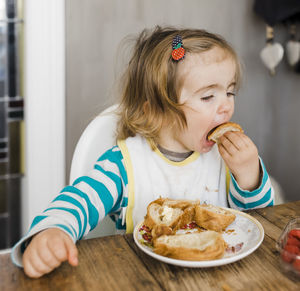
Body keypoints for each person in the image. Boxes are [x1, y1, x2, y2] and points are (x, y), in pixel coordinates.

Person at [11, 26, 274, 278]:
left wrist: (249, 175)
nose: (226, 106)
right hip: (139, 278)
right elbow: (79, 200)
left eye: (230, 92)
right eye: (208, 97)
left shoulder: (227, 159)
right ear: (157, 113)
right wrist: (53, 231)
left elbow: (259, 224)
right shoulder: (124, 165)